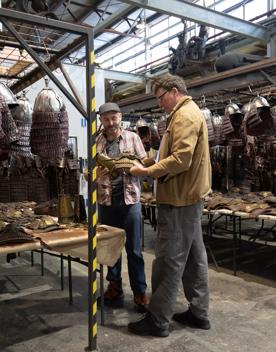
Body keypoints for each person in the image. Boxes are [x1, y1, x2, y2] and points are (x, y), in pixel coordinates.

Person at [128, 74, 212, 337]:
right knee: (194, 260)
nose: (160, 103)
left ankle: (158, 319)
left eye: (160, 97)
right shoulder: (185, 113)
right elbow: (173, 155)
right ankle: (199, 313)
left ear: (174, 91)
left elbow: (181, 159)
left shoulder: (185, 115)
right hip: (187, 198)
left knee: (168, 261)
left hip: (179, 199)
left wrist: (146, 172)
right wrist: (149, 158)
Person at [96, 102, 149, 312]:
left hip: (130, 201)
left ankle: (140, 292)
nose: (110, 123)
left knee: (134, 249)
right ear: (101, 120)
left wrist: (137, 169)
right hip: (107, 202)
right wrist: (93, 175)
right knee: (111, 249)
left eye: (113, 118)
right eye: (106, 119)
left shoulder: (133, 138)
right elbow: (86, 172)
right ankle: (114, 287)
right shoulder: (96, 142)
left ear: (120, 117)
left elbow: (146, 164)